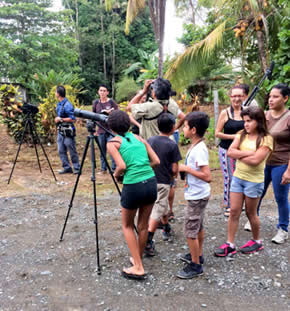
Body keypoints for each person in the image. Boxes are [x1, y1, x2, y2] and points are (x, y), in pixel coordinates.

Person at [106, 110, 160, 280]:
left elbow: (121, 166)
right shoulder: (139, 138)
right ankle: (138, 258)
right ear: (128, 124)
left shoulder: (113, 143)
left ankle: (138, 267)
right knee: (143, 226)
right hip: (150, 182)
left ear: (111, 127)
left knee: (127, 225)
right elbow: (156, 161)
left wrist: (116, 176)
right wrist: (144, 169)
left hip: (133, 185)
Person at [214, 106, 273, 257]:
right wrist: (248, 152)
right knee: (234, 211)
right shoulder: (241, 134)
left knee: (250, 212)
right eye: (244, 121)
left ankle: (256, 240)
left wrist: (240, 155)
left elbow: (256, 161)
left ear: (258, 121)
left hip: (254, 181)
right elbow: (229, 152)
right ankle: (230, 243)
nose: (245, 124)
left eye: (249, 121)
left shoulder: (267, 138)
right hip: (238, 178)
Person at [176, 112, 211, 279]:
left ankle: (196, 265)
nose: (183, 129)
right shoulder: (195, 146)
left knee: (190, 230)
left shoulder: (199, 150)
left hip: (197, 196)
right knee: (198, 227)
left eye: (185, 126)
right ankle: (198, 254)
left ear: (194, 129)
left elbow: (208, 176)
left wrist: (186, 169)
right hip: (197, 194)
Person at [145, 113, 182, 256]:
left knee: (163, 205)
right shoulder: (172, 144)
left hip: (149, 179)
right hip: (163, 181)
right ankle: (148, 241)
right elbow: (174, 168)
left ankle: (166, 226)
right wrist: (174, 178)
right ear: (173, 127)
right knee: (158, 208)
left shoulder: (150, 140)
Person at [257, 84, 290, 244]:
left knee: (280, 197)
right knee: (257, 193)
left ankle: (283, 229)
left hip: (282, 163)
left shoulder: (289, 117)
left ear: (285, 98)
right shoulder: (264, 115)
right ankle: (253, 219)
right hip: (263, 162)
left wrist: (289, 171)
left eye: (276, 96)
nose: (271, 99)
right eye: (270, 96)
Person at [215, 86, 245, 217]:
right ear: (230, 97)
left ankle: (238, 203)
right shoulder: (225, 113)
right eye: (234, 96)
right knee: (229, 177)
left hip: (242, 151)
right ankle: (229, 204)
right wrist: (235, 137)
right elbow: (217, 133)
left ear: (244, 97)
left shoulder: (247, 112)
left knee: (241, 176)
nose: (237, 99)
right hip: (226, 150)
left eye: (240, 96)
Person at [92, 84, 118, 174]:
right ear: (98, 92)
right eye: (101, 90)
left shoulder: (111, 102)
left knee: (112, 149)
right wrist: (94, 130)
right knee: (102, 150)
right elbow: (93, 116)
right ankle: (103, 169)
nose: (102, 92)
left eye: (104, 91)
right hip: (100, 130)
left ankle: (114, 169)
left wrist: (110, 112)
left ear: (107, 92)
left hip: (110, 130)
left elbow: (117, 113)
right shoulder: (96, 103)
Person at [55, 85, 80, 174]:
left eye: (55, 92)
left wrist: (61, 119)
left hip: (68, 130)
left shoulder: (68, 105)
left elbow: (73, 119)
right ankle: (67, 167)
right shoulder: (59, 104)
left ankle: (77, 168)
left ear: (58, 94)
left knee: (71, 148)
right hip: (60, 130)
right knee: (61, 149)